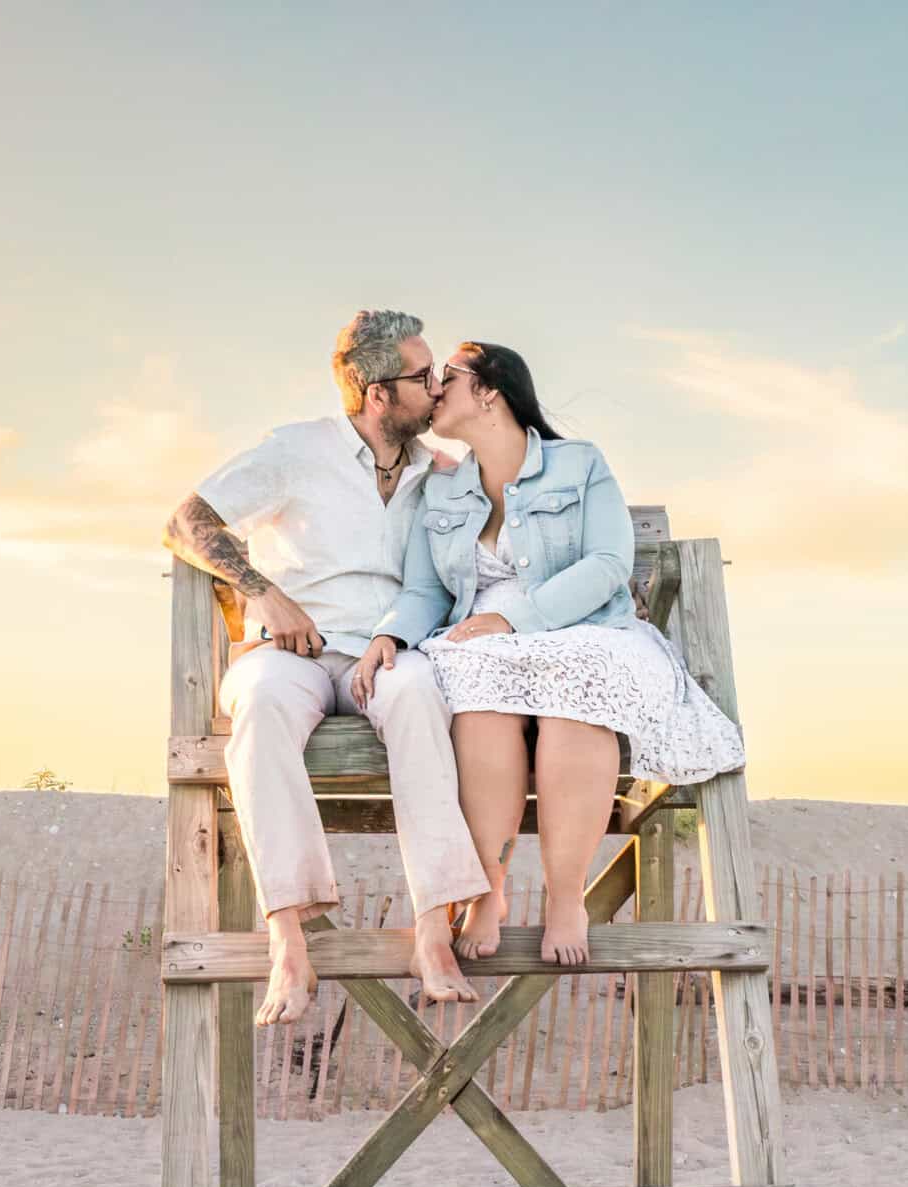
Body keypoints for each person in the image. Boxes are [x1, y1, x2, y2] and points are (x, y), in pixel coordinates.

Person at [356, 342, 745, 966]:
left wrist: (515, 618)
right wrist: (390, 634)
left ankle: (567, 898)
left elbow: (609, 562)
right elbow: (426, 589)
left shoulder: (578, 464)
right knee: (478, 697)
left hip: (581, 625)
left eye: (446, 378)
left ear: (489, 390)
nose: (432, 389)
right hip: (482, 642)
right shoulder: (442, 489)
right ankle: (489, 887)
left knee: (575, 695)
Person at [163, 310, 489, 1027]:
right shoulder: (295, 451)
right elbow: (187, 521)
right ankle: (288, 937)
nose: (437, 387)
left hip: (394, 652)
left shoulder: (440, 475)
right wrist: (263, 593)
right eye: (423, 375)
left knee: (418, 697)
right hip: (294, 653)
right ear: (378, 394)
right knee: (260, 708)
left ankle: (433, 931)